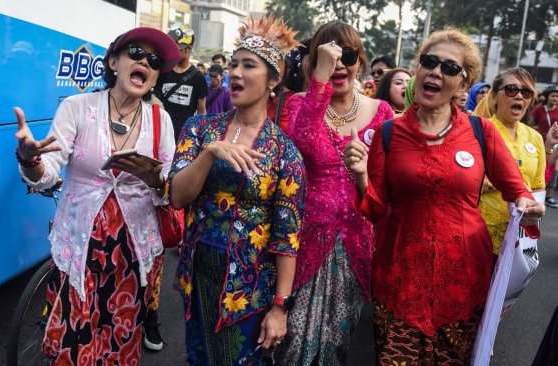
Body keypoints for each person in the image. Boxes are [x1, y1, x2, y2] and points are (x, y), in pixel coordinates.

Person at [344, 28, 545, 364]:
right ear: (418, 68)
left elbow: (518, 190)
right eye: (429, 62)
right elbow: (376, 210)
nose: (436, 71)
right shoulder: (389, 132)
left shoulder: (482, 131)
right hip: (399, 280)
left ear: (464, 84)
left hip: (464, 282)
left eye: (450, 68)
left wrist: (527, 204)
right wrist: (361, 174)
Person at [14, 27, 180, 364]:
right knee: (72, 346)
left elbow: (169, 188)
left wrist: (155, 180)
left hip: (133, 256)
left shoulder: (160, 120)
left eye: (154, 60)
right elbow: (47, 172)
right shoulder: (77, 107)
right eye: (136, 53)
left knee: (119, 345)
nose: (145, 63)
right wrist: (30, 159)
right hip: (78, 249)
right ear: (113, 61)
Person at [167, 16, 306, 365]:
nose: (236, 73)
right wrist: (210, 152)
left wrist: (280, 308)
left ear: (273, 80)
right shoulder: (200, 129)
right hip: (197, 275)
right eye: (233, 64)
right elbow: (177, 196)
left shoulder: (283, 153)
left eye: (249, 66)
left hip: (250, 289)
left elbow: (286, 238)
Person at [273, 21, 394, 365]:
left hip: (355, 243)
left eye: (348, 55)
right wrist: (319, 83)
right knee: (292, 344)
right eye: (330, 55)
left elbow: (380, 192)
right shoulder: (299, 104)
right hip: (303, 241)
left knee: (337, 344)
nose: (340, 63)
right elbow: (301, 143)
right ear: (315, 60)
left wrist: (362, 176)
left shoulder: (382, 113)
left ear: (361, 61)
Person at [476, 68, 546, 254]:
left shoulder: (535, 137)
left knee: (514, 283)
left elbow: (538, 186)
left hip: (519, 238)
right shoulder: (478, 131)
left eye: (526, 92)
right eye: (511, 89)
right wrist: (507, 187)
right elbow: (464, 182)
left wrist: (535, 212)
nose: (519, 96)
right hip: (480, 234)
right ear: (494, 97)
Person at [155, 24, 208, 140]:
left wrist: (200, 134)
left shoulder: (198, 77)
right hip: (159, 131)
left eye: (178, 48)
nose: (174, 51)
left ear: (189, 49)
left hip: (184, 135)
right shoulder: (163, 71)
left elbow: (202, 110)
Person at [531, 84, 558, 207]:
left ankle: (549, 196)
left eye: (557, 97)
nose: (555, 99)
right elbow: (530, 122)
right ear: (547, 97)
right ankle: (536, 193)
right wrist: (537, 130)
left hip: (556, 144)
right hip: (540, 142)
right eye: (553, 96)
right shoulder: (539, 109)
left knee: (554, 169)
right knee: (542, 167)